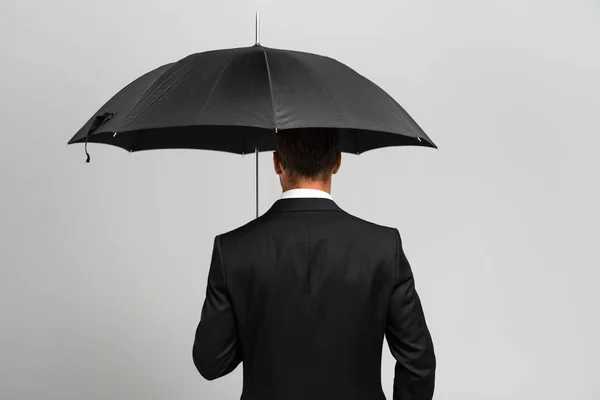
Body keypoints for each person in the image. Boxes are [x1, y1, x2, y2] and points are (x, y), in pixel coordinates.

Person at [192, 129, 436, 400]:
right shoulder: (382, 247)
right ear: (337, 162)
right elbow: (418, 362)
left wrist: (250, 311)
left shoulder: (234, 249)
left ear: (276, 162)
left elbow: (211, 363)